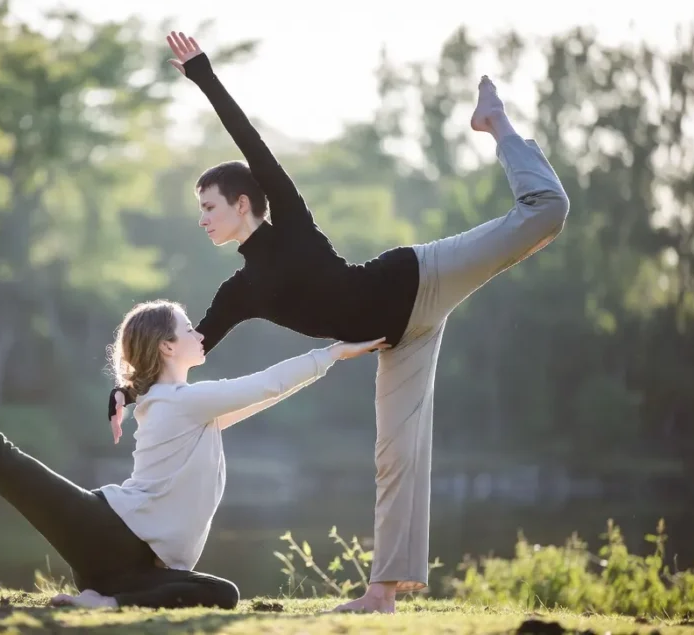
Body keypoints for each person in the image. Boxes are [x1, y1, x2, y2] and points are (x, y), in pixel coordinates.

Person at [109, 31, 571, 613]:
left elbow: (249, 140)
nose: (202, 219)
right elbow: (186, 348)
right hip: (395, 339)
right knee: (394, 453)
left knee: (546, 212)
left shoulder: (291, 220)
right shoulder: (240, 290)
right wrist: (127, 389)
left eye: (209, 207)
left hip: (417, 279)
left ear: (243, 204)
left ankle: (497, 124)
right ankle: (382, 595)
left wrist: (201, 73)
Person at [0, 272, 385, 610]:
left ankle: (105, 598)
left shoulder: (185, 407)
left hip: (134, 564)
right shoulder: (180, 402)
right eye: (190, 329)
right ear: (167, 346)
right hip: (106, 532)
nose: (201, 334)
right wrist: (333, 354)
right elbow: (264, 384)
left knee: (222, 594)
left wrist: (326, 364)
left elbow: (258, 398)